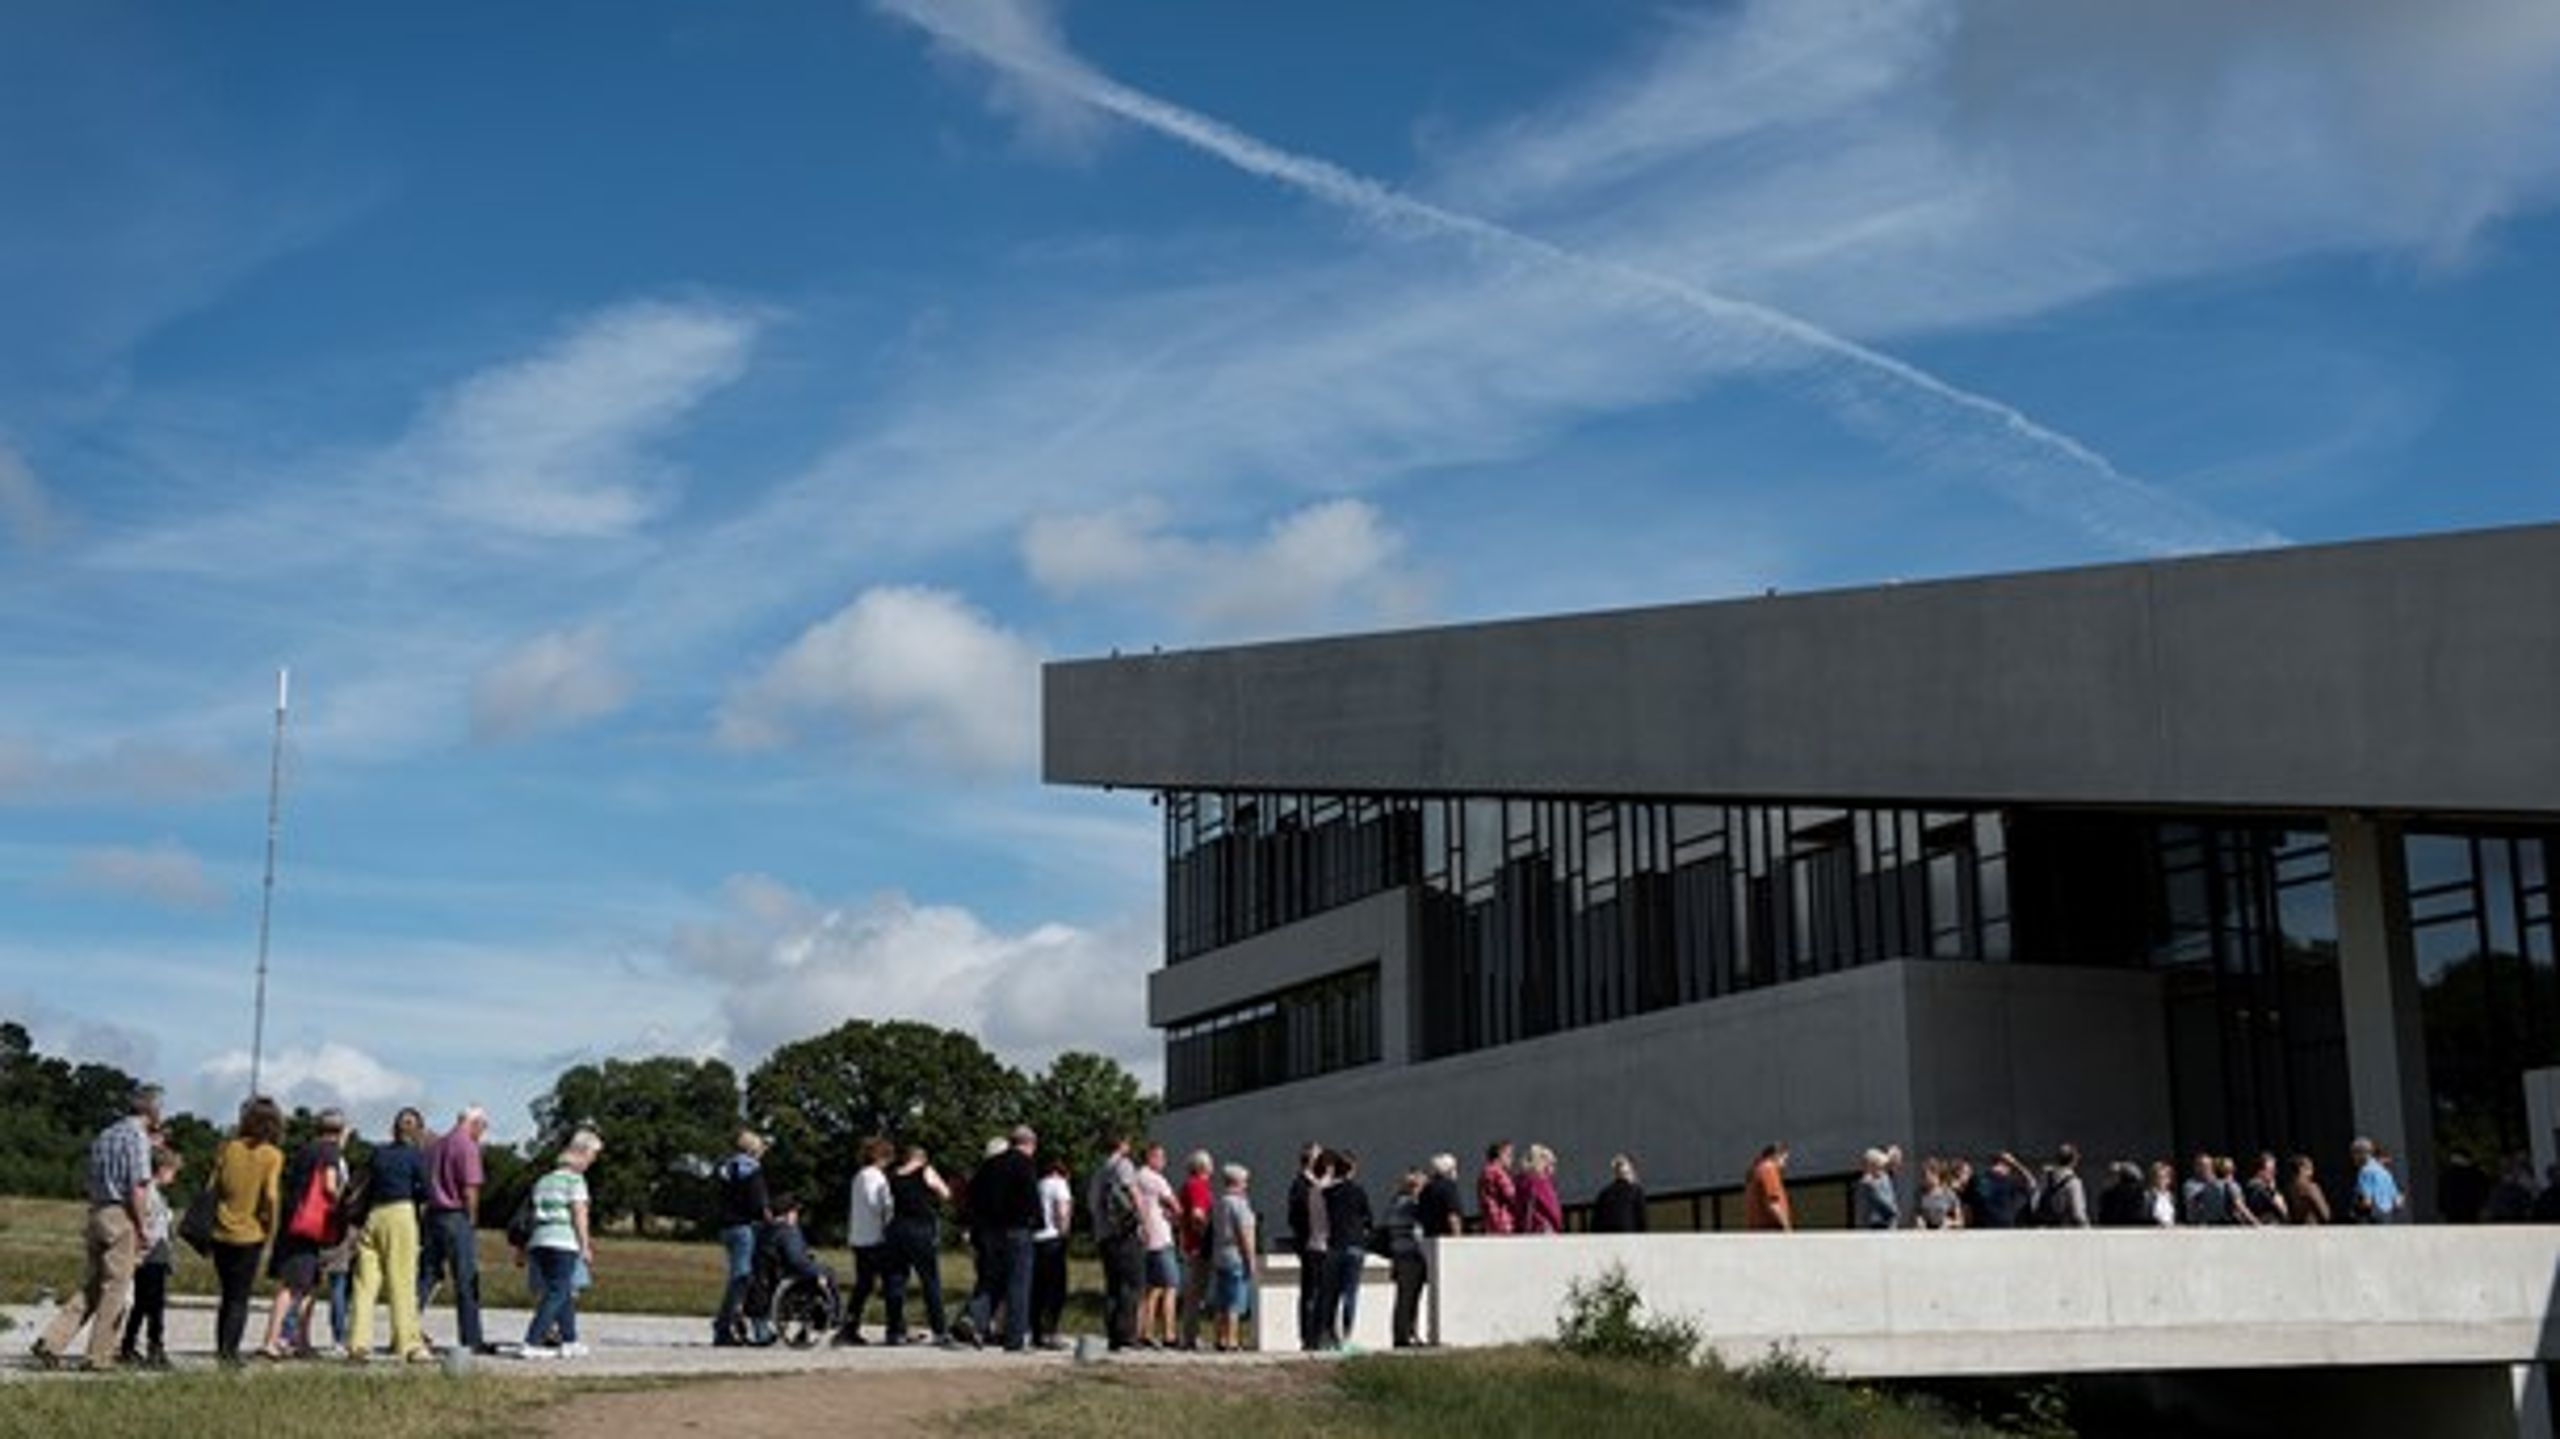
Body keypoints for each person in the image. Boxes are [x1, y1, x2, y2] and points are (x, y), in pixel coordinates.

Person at [32, 1083, 162, 1371]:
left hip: (97, 1211)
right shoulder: (137, 1138)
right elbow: (138, 1187)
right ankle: (99, 1356)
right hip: (121, 1214)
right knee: (115, 1287)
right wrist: (143, 1227)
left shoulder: (106, 1135)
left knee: (94, 1285)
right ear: (151, 1110)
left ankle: (52, 1340)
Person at [261, 1108, 349, 1361]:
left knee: (308, 1285)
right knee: (292, 1286)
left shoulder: (304, 1150)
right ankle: (272, 1339)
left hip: (293, 1221)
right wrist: (345, 1201)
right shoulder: (330, 1152)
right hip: (310, 1227)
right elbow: (330, 1187)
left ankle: (301, 1339)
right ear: (340, 1130)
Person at [349, 1107, 434, 1363]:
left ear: (393, 1130)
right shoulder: (415, 1156)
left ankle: (358, 1344)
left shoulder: (378, 1154)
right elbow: (427, 1192)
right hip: (400, 1214)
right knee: (402, 1282)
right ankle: (408, 1344)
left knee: (365, 1285)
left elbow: (366, 1184)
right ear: (417, 1131)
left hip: (374, 1216)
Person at [208, 1095, 285, 1366]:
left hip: (220, 1229)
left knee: (226, 1294)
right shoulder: (272, 1155)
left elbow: (213, 1185)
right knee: (240, 1297)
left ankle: (221, 1347)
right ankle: (230, 1353)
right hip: (250, 1232)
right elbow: (272, 1195)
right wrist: (271, 1227)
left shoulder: (228, 1148)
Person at [518, 1129, 601, 1359]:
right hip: (563, 1242)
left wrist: (524, 1248)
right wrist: (585, 1245)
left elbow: (532, 1215)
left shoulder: (544, 1180)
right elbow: (579, 1214)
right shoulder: (575, 1180)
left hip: (539, 1242)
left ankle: (570, 1340)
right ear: (582, 1154)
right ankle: (532, 1341)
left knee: (561, 1291)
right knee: (556, 1292)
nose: (592, 1162)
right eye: (592, 1156)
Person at [418, 1106, 490, 1356]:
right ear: (475, 1123)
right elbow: (471, 1188)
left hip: (433, 1214)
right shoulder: (467, 1146)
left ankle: (407, 1326)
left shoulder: (436, 1145)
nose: (484, 1132)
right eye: (484, 1127)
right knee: (466, 1279)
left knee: (427, 1275)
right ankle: (471, 1338)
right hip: (455, 1215)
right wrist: (472, 1219)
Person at [961, 1127, 1040, 1353]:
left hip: (990, 1231)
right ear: (1029, 1143)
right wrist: (1036, 1222)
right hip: (1017, 1229)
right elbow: (1030, 1197)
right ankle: (1014, 1338)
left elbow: (972, 1196)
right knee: (1018, 1283)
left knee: (990, 1280)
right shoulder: (1024, 1163)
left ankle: (977, 1324)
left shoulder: (990, 1165)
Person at [115, 1147, 180, 1369]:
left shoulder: (156, 1193)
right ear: (162, 1169)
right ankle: (154, 1347)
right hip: (152, 1254)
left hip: (156, 1254)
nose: (174, 1176)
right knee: (154, 1305)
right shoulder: (150, 1193)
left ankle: (129, 1344)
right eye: (172, 1171)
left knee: (142, 1304)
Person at [885, 1145, 952, 1345]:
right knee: (930, 1280)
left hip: (896, 1230)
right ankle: (940, 1330)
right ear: (922, 1159)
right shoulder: (926, 1171)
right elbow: (945, 1193)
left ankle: (894, 1331)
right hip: (920, 1229)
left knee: (896, 1281)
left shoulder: (894, 1175)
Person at [712, 1130, 773, 1346]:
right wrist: (769, 1217)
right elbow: (759, 1203)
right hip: (743, 1227)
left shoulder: (725, 1167)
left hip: (725, 1227)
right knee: (741, 1278)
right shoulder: (752, 1169)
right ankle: (723, 1324)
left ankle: (731, 1323)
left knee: (739, 1276)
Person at [1091, 1133, 1147, 1352]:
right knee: (1132, 1283)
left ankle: (1113, 1333)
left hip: (1104, 1233)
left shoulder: (1099, 1169)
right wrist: (1144, 1222)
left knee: (1113, 1284)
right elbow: (1132, 1192)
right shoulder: (1123, 1165)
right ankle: (1127, 1334)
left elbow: (1093, 1204)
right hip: (1124, 1232)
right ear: (1122, 1144)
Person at [839, 1137, 897, 1345]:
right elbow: (878, 1203)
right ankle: (895, 1327)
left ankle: (849, 1325)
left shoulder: (859, 1176)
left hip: (859, 1236)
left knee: (863, 1285)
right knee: (890, 1282)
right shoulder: (876, 1177)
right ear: (882, 1157)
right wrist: (890, 1214)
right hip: (874, 1237)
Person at [1319, 1149, 1373, 1349]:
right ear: (1352, 1169)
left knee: (1331, 1292)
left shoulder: (1329, 1193)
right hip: (1355, 1245)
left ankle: (1330, 1335)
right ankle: (1347, 1336)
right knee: (1350, 1293)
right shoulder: (1358, 1191)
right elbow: (1368, 1219)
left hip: (1334, 1245)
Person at [1132, 1142, 1181, 1348]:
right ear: (1151, 1157)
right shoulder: (1156, 1179)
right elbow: (1176, 1206)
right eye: (1160, 1157)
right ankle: (1169, 1333)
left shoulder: (1136, 1176)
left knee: (1151, 1289)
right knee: (1170, 1286)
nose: (1164, 1161)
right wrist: (1173, 1216)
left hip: (1144, 1237)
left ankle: (1144, 1330)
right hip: (1161, 1237)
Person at [1413, 1153, 1463, 1346]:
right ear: (1450, 1170)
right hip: (1445, 1244)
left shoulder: (1427, 1189)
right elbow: (1453, 1215)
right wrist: (1458, 1240)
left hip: (1428, 1242)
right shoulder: (1449, 1187)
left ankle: (1430, 1331)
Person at [1209, 1163, 1257, 1353]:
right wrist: (1250, 1259)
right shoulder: (1239, 1204)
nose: (1246, 1185)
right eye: (1245, 1182)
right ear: (1237, 1182)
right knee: (1235, 1303)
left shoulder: (1220, 1202)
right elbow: (1244, 1234)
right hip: (1235, 1255)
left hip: (1220, 1255)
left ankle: (1220, 1338)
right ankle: (1232, 1340)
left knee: (1222, 1301)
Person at [1286, 1141, 1328, 1351]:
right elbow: (1296, 1217)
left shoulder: (1314, 1183)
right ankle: (1309, 1335)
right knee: (1311, 1290)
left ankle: (1316, 1333)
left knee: (1318, 1290)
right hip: (1310, 1243)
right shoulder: (1301, 1185)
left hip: (1316, 1242)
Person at [1176, 1149, 1216, 1350]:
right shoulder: (1199, 1186)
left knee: (1193, 1294)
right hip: (1198, 1248)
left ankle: (1189, 1335)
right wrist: (1204, 1236)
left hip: (1189, 1245)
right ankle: (1191, 1336)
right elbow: (1197, 1215)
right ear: (1203, 1167)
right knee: (1196, 1294)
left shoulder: (1187, 1186)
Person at [1032, 1156, 1073, 1349]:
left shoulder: (1039, 1184)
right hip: (1053, 1239)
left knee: (1037, 1289)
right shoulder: (1060, 1185)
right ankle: (1052, 1332)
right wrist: (1064, 1233)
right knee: (1056, 1289)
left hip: (1036, 1240)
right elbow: (1061, 1211)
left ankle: (1036, 1332)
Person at [1384, 1170, 1429, 1348]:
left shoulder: (1395, 1203)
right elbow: (1417, 1231)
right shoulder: (1409, 1205)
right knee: (1408, 1297)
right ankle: (1405, 1335)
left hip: (1399, 1255)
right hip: (1410, 1255)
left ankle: (1407, 1333)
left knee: (1406, 1297)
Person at [2350, 1138, 2404, 1223]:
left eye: (2354, 1153)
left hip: (2373, 1216)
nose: (2353, 1158)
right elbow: (2398, 1201)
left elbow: (2367, 1201)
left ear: (2362, 1154)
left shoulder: (2365, 1171)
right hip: (2387, 1215)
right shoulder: (2385, 1172)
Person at [1593, 1154, 1647, 1233]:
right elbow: (1642, 1220)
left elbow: (1595, 1224)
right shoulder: (1636, 1191)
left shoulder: (1604, 1194)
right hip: (1627, 1237)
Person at [2038, 1145, 2090, 1229]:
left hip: (2046, 1227)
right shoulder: (2074, 1182)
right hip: (2064, 1230)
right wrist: (2087, 1228)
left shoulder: (2046, 1177)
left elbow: (2036, 1200)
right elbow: (2078, 1213)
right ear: (2074, 1161)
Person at [1515, 1144, 1563, 1235]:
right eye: (1552, 1163)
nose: (1554, 1169)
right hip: (1543, 1228)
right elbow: (1551, 1209)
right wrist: (1557, 1224)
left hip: (1525, 1229)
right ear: (1543, 1163)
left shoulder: (1521, 1180)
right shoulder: (1540, 1182)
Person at [1745, 1144, 1793, 1232]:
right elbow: (1774, 1203)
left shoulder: (1756, 1170)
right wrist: (1787, 1229)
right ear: (1776, 1156)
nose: (1784, 1165)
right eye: (1784, 1159)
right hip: (1770, 1230)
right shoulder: (1768, 1169)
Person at [2440, 1149, 2492, 1224]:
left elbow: (2442, 1194)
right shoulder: (2477, 1174)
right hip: (2468, 1211)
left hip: (2458, 1212)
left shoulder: (2447, 1175)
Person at [1477, 1142, 1518, 1235]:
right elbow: (1513, 1196)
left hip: (1490, 1222)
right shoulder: (1498, 1173)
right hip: (1502, 1223)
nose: (1512, 1159)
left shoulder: (1485, 1171)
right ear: (1500, 1155)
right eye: (1509, 1155)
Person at [1854, 1147, 1899, 1230]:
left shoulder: (1883, 1179)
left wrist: (1872, 1189)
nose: (1864, 1167)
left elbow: (1889, 1208)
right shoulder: (1866, 1182)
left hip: (1886, 1225)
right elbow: (1862, 1210)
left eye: (1866, 1163)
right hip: (1871, 1226)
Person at [2243, 1152, 2289, 1225]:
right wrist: (2273, 1189)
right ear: (2260, 1171)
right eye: (2270, 1170)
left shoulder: (2251, 1186)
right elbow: (2283, 1211)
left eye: (2274, 1169)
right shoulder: (2260, 1189)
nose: (2274, 1173)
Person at [1919, 1158, 1965, 1230]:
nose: (1923, 1178)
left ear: (1935, 1174)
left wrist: (1950, 1223)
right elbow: (1918, 1215)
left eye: (1925, 1175)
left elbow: (1960, 1221)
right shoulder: (1921, 1195)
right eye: (1923, 1175)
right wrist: (1920, 1222)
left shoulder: (1949, 1194)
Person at [2285, 1154, 2331, 1225]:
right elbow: (2325, 1214)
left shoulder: (2290, 1188)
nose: (2313, 1170)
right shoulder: (2310, 1187)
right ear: (2301, 1169)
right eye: (2310, 1167)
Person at [2147, 1161, 2180, 1227]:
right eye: (2159, 1177)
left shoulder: (2172, 1197)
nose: (2162, 1181)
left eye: (2166, 1177)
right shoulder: (2147, 1196)